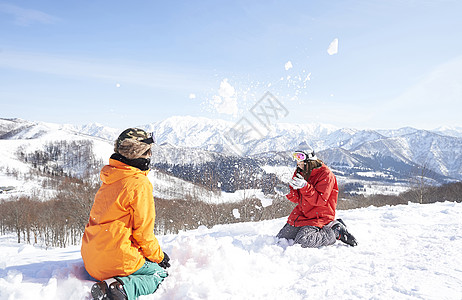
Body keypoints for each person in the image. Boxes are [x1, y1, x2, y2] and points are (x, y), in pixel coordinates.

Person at [81, 128, 170, 300]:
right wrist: (159, 256)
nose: (150, 155)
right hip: (115, 259)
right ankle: (120, 289)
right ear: (139, 153)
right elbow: (143, 234)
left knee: (134, 259)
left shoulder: (110, 178)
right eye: (148, 151)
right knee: (158, 274)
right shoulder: (138, 184)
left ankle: (106, 282)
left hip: (91, 260)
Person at [275, 150, 357, 248]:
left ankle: (334, 231)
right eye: (296, 159)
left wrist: (305, 186)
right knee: (281, 239)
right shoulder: (300, 172)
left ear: (309, 160)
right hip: (303, 214)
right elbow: (298, 198)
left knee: (303, 241)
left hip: (319, 216)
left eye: (300, 159)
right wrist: (288, 192)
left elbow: (320, 200)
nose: (297, 162)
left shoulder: (326, 174)